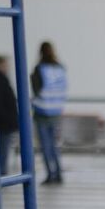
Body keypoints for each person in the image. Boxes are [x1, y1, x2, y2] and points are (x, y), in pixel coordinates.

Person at [31, 41, 68, 185]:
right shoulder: (60, 68)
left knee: (45, 145)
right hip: (56, 110)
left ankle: (50, 174)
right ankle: (58, 172)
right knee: (54, 144)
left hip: (42, 111)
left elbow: (36, 90)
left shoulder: (39, 69)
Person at [0, 55, 21, 176]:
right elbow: (0, 102)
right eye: (5, 64)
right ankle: (0, 174)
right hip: (2, 122)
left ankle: (0, 172)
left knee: (2, 149)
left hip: (1, 121)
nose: (8, 67)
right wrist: (8, 118)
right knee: (2, 150)